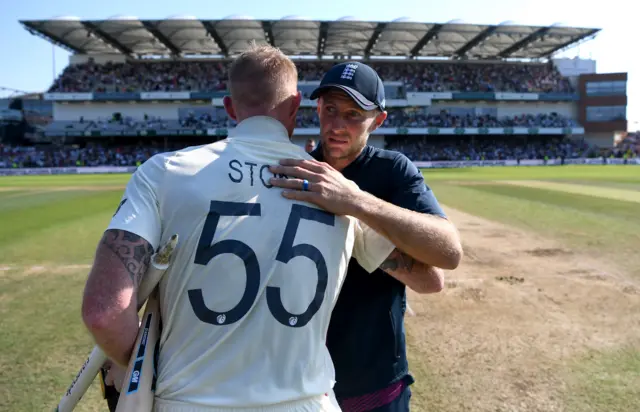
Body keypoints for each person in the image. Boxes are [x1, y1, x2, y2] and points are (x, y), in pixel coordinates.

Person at [80, 45, 412, 412]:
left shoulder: (163, 172)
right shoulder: (337, 189)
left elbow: (105, 314)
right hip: (306, 402)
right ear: (295, 105)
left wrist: (141, 365)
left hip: (188, 402)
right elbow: (428, 277)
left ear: (230, 107)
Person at [269, 61, 463, 411]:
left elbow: (446, 256)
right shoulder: (298, 171)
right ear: (317, 108)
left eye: (354, 114)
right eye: (330, 110)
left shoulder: (392, 171)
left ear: (378, 120)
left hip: (374, 381)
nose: (338, 125)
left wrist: (354, 202)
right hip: (302, 382)